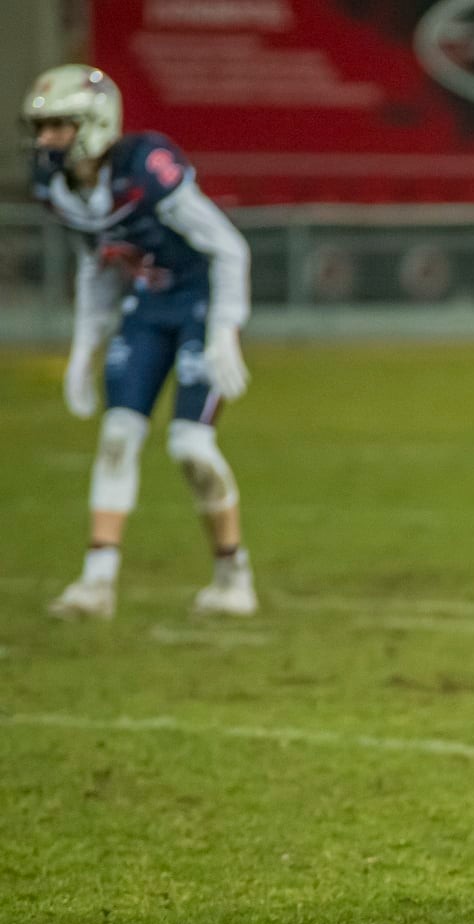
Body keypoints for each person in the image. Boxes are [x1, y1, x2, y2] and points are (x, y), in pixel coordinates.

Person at [22, 64, 257, 620]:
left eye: (58, 126)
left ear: (95, 122)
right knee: (117, 436)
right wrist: (84, 348)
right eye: (42, 128)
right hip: (147, 307)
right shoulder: (61, 188)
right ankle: (97, 583)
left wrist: (224, 329)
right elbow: (98, 267)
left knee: (190, 447)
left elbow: (228, 248)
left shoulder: (145, 168)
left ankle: (233, 574)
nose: (45, 140)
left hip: (196, 301)